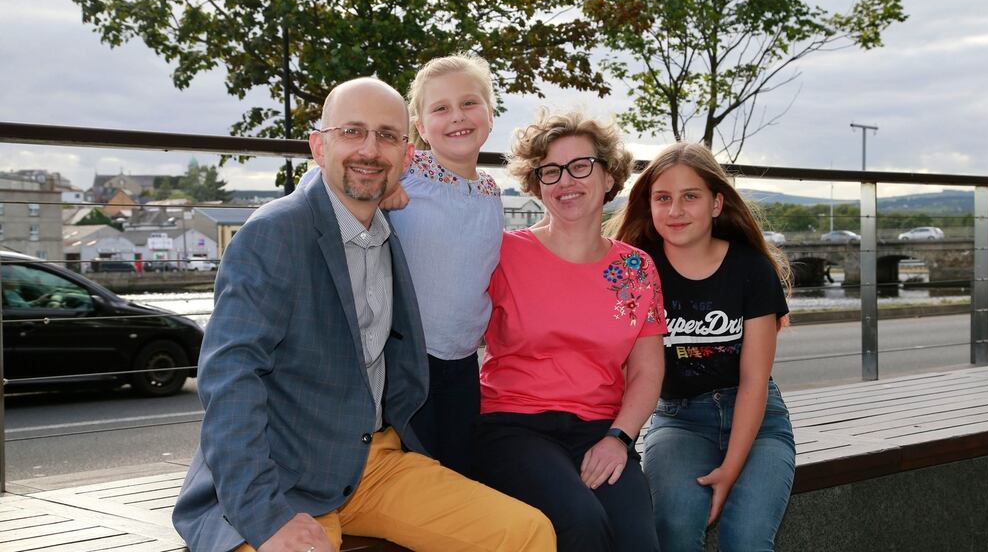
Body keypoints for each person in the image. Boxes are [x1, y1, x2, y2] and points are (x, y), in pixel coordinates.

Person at [172, 77, 554, 552]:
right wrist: (265, 517)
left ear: (406, 152)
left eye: (387, 136)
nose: (370, 150)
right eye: (352, 132)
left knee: (527, 533)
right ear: (318, 146)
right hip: (283, 474)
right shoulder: (275, 233)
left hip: (373, 460)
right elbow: (230, 380)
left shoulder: (391, 228)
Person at [300, 54, 503, 476]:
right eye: (440, 108)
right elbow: (317, 183)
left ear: (490, 113)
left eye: (469, 103)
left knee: (461, 468)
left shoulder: (491, 191)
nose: (457, 117)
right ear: (419, 127)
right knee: (415, 466)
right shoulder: (405, 170)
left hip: (463, 360)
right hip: (405, 359)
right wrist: (379, 192)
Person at [472, 109, 665, 552]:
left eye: (581, 166)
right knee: (581, 523)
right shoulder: (502, 253)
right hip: (513, 427)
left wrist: (619, 438)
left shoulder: (636, 269)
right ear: (536, 183)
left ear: (610, 177)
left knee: (639, 542)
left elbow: (646, 372)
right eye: (551, 171)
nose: (566, 181)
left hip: (601, 430)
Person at [608, 142, 796, 552]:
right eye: (663, 198)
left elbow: (753, 381)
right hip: (679, 420)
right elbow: (621, 367)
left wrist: (730, 469)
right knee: (673, 528)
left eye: (690, 196)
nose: (675, 210)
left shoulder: (751, 270)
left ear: (716, 203)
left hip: (759, 422)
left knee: (745, 540)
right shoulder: (638, 271)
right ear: (649, 205)